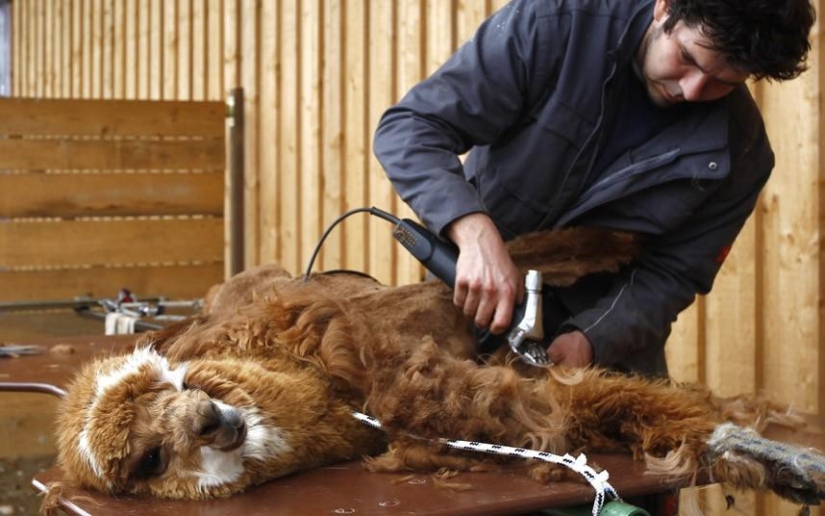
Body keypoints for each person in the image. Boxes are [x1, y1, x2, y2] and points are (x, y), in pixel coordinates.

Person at [373, 0, 815, 377]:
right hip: (467, 304)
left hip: (601, 359)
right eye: (687, 58)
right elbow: (412, 127)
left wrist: (591, 340)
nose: (692, 89)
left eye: (724, 83)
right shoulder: (557, 23)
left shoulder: (744, 154)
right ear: (665, 6)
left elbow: (674, 274)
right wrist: (472, 232)